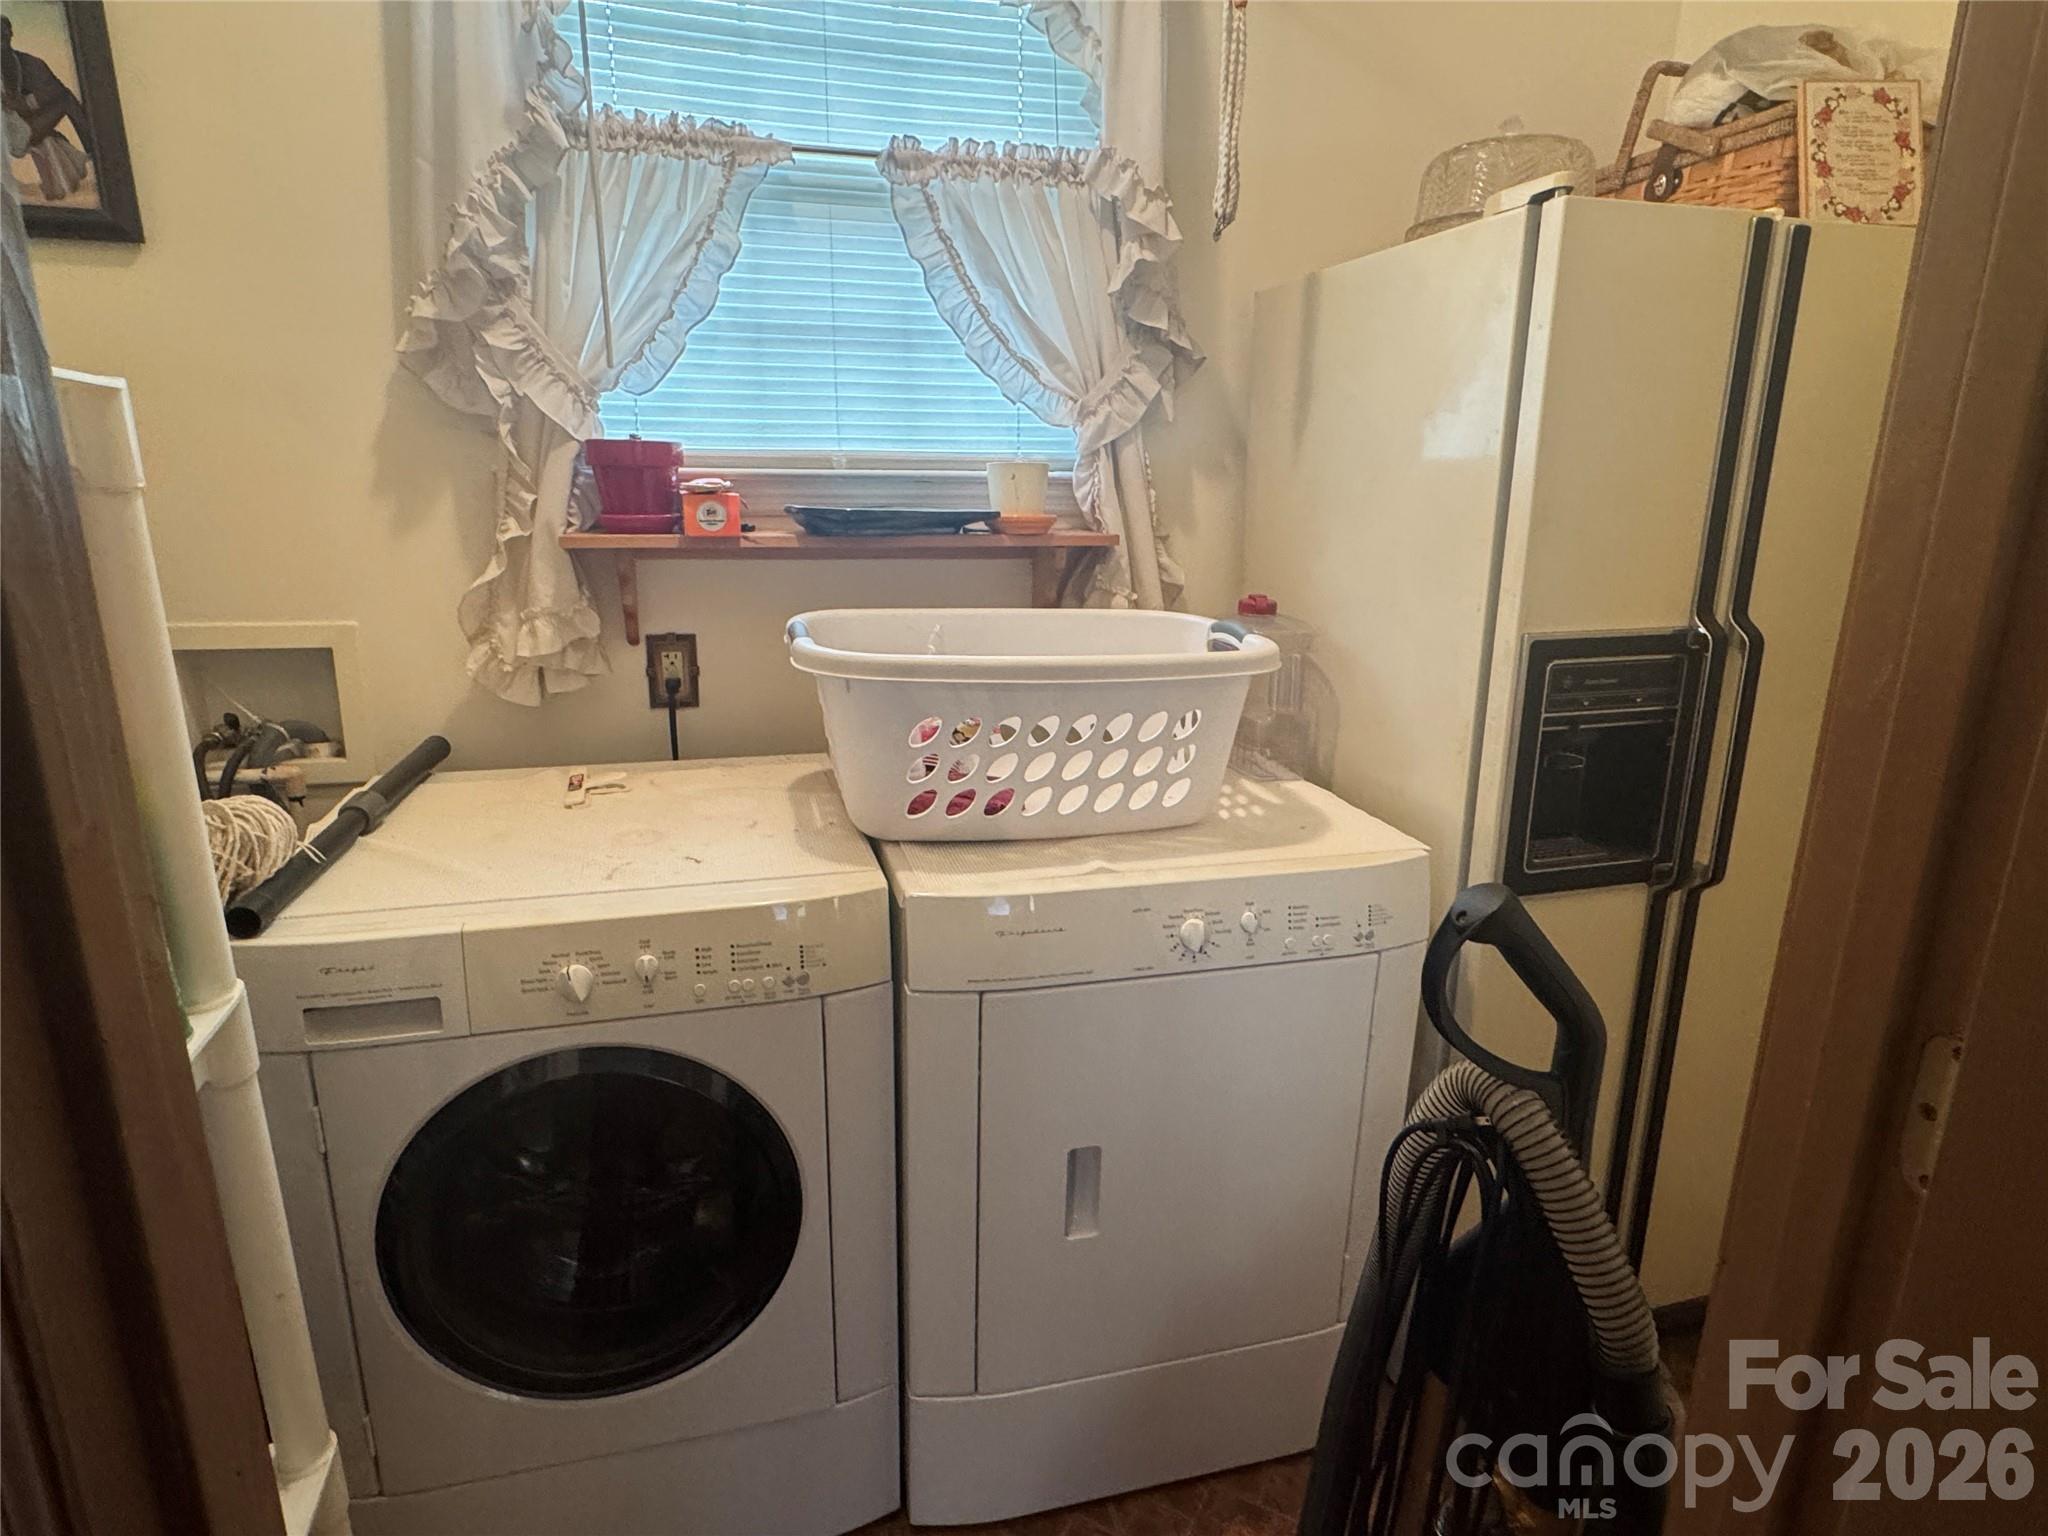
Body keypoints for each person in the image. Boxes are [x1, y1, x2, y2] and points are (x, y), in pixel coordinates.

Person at [3, 16, 94, 202]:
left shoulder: (29, 63)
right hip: (12, 134)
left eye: (3, 33)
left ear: (10, 34)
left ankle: (90, 151)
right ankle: (95, 148)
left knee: (58, 107)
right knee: (66, 98)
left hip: (19, 126)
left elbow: (49, 90)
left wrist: (26, 103)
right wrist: (24, 104)